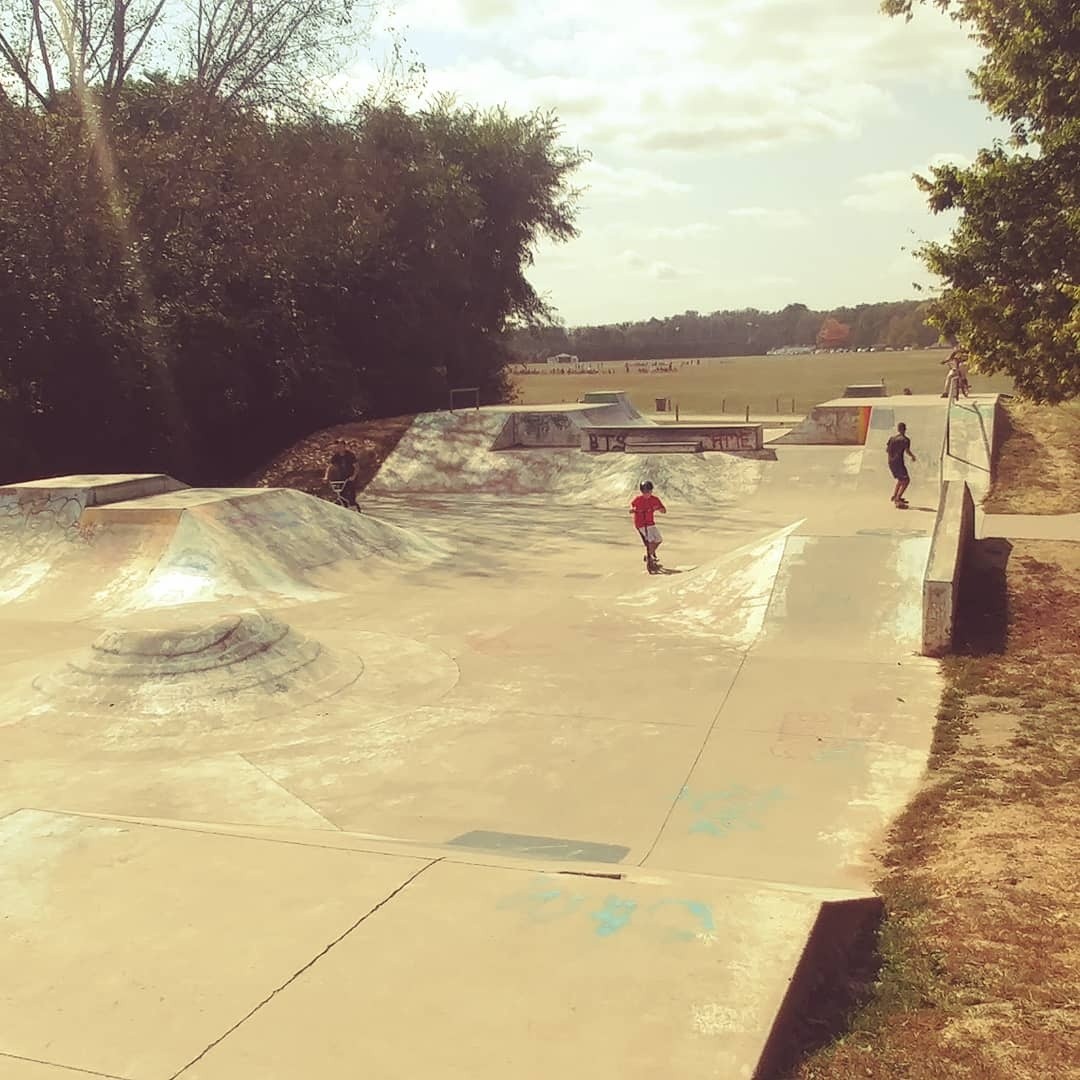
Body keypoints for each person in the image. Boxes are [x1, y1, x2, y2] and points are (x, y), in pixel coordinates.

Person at [630, 480, 667, 572]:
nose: (646, 494)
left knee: (658, 539)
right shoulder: (638, 499)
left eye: (648, 491)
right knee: (650, 540)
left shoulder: (655, 499)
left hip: (650, 523)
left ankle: (649, 555)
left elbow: (663, 510)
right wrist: (633, 510)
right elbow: (632, 506)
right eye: (644, 492)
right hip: (641, 524)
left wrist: (659, 509)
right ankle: (650, 559)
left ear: (651, 491)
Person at [886, 422, 917, 508]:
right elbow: (907, 451)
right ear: (905, 429)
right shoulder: (905, 440)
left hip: (891, 462)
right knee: (906, 480)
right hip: (899, 462)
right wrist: (913, 456)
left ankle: (895, 495)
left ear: (898, 429)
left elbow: (887, 450)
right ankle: (898, 499)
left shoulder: (892, 438)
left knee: (901, 479)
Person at [324, 440, 359, 508]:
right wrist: (326, 477)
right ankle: (344, 508)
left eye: (341, 446)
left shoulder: (350, 455)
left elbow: (357, 467)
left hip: (351, 478)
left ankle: (354, 506)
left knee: (351, 497)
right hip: (341, 478)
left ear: (344, 446)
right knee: (341, 495)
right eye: (338, 446)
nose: (339, 448)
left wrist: (353, 476)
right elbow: (329, 467)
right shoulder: (336, 456)